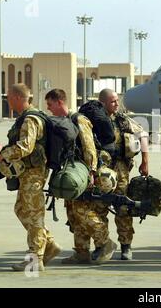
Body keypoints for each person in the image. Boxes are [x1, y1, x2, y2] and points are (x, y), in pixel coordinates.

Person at [44, 89, 117, 264]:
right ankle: (81, 252)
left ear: (60, 102)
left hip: (84, 173)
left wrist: (92, 173)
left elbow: (89, 147)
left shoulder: (79, 119)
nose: (49, 109)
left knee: (81, 210)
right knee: (73, 214)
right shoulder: (63, 121)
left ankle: (105, 242)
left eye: (50, 104)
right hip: (72, 172)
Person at [0, 83, 59, 271]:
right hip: (27, 173)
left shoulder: (30, 119)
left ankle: (35, 258)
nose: (7, 102)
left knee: (33, 214)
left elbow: (25, 146)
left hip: (34, 173)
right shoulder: (25, 117)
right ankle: (50, 244)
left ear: (16, 97)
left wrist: (1, 155)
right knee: (21, 209)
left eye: (8, 98)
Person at [98, 88, 149, 260]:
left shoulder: (122, 120)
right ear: (103, 102)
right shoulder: (96, 120)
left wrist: (145, 161)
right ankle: (102, 244)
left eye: (117, 100)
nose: (117, 104)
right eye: (112, 101)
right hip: (101, 172)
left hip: (121, 171)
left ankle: (126, 246)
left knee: (123, 208)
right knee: (99, 207)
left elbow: (142, 135)